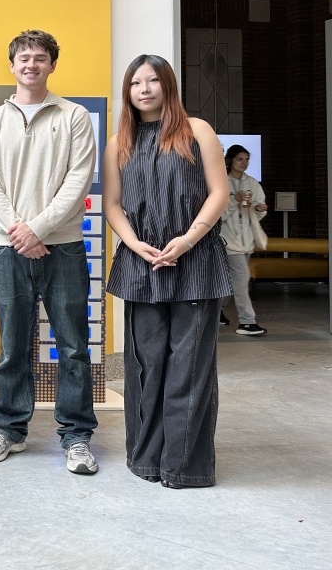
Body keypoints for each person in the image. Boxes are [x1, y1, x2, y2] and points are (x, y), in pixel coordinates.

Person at [0, 29, 99, 475]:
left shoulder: (75, 117)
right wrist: (19, 232)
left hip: (62, 247)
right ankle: (9, 428)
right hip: (8, 250)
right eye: (23, 58)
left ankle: (77, 436)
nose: (31, 65)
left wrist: (38, 229)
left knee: (73, 347)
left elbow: (78, 180)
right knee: (12, 347)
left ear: (51, 65)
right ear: (11, 66)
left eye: (40, 58)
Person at [104, 54, 232, 489]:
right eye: (136, 82)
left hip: (195, 261)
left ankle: (185, 467)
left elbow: (219, 192)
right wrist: (135, 244)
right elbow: (112, 205)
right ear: (128, 91)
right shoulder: (119, 140)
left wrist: (188, 239)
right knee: (145, 368)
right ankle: (146, 461)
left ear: (168, 85)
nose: (144, 89)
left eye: (152, 80)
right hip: (142, 266)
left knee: (189, 367)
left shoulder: (198, 131)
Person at [220, 145, 268, 336]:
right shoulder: (222, 182)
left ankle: (216, 312)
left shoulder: (252, 183)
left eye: (247, 159)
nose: (244, 163)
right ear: (231, 160)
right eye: (240, 159)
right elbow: (218, 214)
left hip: (247, 239)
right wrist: (234, 201)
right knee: (241, 280)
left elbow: (258, 209)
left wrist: (259, 209)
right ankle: (247, 322)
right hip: (228, 239)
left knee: (233, 282)